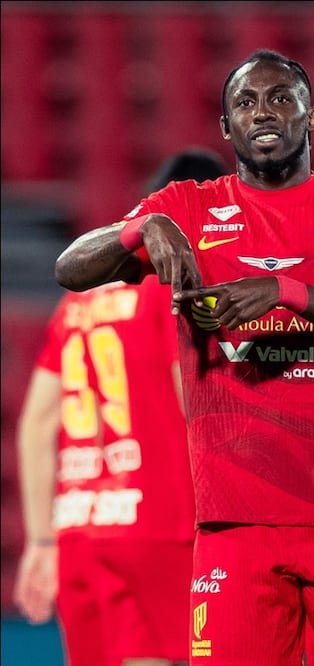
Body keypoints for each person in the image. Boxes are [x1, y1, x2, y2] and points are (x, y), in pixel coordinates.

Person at [54, 50, 314, 665]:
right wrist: (139, 230)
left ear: (313, 115)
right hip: (235, 525)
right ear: (226, 128)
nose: (263, 112)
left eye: (281, 97)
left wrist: (283, 290)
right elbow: (69, 268)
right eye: (245, 103)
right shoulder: (189, 208)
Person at [13, 149, 228, 666]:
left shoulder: (77, 300)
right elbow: (196, 403)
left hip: (81, 528)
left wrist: (41, 540)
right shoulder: (167, 287)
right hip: (162, 523)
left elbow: (36, 423)